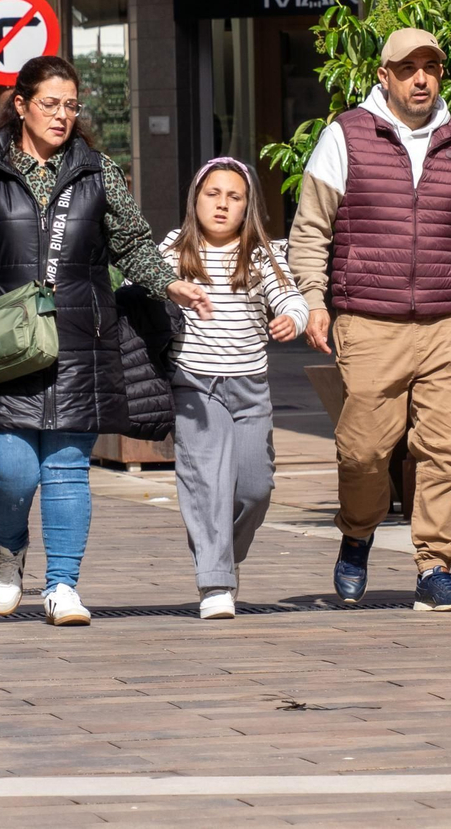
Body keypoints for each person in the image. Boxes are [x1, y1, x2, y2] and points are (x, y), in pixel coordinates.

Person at [0, 55, 212, 626]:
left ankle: (62, 586)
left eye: (71, 106)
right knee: (11, 469)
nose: (62, 116)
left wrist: (167, 283)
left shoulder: (97, 170)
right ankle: (9, 550)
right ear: (22, 103)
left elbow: (131, 244)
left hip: (82, 335)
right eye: (50, 104)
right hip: (4, 342)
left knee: (65, 465)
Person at [288, 27, 451, 612]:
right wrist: (314, 300)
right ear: (383, 75)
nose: (421, 78)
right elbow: (311, 229)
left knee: (445, 451)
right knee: (363, 452)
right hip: (368, 319)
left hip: (446, 322)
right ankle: (357, 534)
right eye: (408, 68)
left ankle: (435, 567)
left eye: (430, 68)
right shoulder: (346, 136)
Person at [159, 158, 309, 620]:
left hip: (249, 388)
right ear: (195, 200)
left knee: (255, 488)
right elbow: (140, 285)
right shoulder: (172, 249)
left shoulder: (262, 256)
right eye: (213, 194)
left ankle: (224, 554)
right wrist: (166, 287)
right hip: (194, 386)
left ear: (248, 208)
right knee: (206, 483)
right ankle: (215, 582)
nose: (222, 204)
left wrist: (293, 318)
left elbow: (292, 298)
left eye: (234, 197)